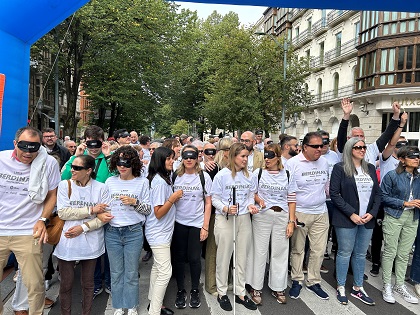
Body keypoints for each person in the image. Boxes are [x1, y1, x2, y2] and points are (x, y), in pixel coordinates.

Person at [0, 126, 60, 315]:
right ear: (15, 143)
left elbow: (52, 195)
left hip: (28, 231)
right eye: (24, 146)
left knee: (34, 284)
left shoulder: (48, 163)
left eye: (34, 147)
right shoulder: (1, 159)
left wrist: (43, 219)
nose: (28, 152)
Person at [54, 155, 112, 315]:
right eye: (72, 166)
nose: (72, 170)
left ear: (88, 170)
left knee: (88, 284)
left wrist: (83, 227)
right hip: (67, 240)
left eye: (77, 168)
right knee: (66, 284)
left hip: (91, 242)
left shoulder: (101, 188)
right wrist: (91, 211)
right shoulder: (65, 185)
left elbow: (106, 217)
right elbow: (63, 212)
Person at [61, 125, 113, 297]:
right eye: (90, 143)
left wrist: (107, 155)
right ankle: (96, 281)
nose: (93, 147)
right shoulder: (79, 160)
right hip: (83, 209)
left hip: (104, 207)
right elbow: (65, 177)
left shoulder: (106, 158)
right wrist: (75, 156)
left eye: (97, 143)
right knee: (93, 249)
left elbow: (116, 177)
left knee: (107, 249)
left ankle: (109, 281)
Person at [330, 137, 381, 305]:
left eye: (364, 147)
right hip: (346, 219)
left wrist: (372, 214)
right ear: (350, 149)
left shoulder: (371, 168)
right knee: (344, 253)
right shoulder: (340, 168)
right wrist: (351, 213)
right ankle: (341, 286)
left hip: (367, 219)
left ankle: (358, 288)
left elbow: (378, 195)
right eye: (358, 147)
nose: (362, 150)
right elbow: (334, 194)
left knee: (360, 254)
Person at [211, 142, 259, 311]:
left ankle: (240, 292)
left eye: (247, 156)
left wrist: (251, 206)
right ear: (233, 157)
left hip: (244, 218)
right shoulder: (221, 176)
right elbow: (214, 198)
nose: (246, 159)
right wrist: (225, 207)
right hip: (225, 218)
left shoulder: (250, 175)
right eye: (243, 156)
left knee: (242, 256)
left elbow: (251, 196)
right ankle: (222, 292)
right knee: (224, 256)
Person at [247, 143, 297, 305]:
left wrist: (291, 221)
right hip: (262, 215)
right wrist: (259, 199)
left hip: (282, 215)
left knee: (280, 252)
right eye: (265, 155)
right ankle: (256, 286)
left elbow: (291, 198)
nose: (267, 159)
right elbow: (251, 192)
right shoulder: (258, 173)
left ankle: (278, 287)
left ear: (278, 157)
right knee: (259, 251)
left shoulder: (287, 174)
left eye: (270, 156)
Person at [105, 146, 151, 315]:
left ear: (133, 163)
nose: (122, 166)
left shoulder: (142, 182)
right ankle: (118, 305)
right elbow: (104, 205)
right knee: (116, 272)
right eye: (118, 162)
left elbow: (148, 209)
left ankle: (131, 305)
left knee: (131, 272)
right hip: (112, 231)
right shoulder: (110, 182)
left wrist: (135, 202)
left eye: (126, 162)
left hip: (133, 231)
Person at [286, 132, 330, 300]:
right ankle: (296, 280)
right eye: (315, 146)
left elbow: (326, 185)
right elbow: (287, 191)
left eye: (322, 145)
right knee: (298, 249)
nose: (320, 149)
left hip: (321, 212)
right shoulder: (293, 164)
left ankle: (313, 281)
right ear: (305, 147)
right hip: (300, 212)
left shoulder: (324, 162)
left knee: (318, 250)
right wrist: (291, 216)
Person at [172, 145, 212, 309]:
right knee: (179, 258)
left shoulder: (204, 176)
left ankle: (195, 289)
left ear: (197, 158)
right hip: (179, 222)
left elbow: (208, 203)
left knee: (195, 258)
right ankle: (181, 289)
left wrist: (205, 226)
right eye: (186, 156)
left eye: (192, 156)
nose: (189, 159)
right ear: (182, 158)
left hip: (197, 223)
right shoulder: (176, 176)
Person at [381, 146, 420, 304]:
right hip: (394, 215)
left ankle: (399, 285)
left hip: (413, 217)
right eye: (412, 156)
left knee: (404, 254)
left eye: (418, 156)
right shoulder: (392, 175)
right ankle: (387, 285)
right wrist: (404, 203)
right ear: (402, 160)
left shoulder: (418, 178)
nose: (417, 159)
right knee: (390, 251)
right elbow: (383, 196)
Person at [146, 147, 182, 315]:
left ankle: (153, 302)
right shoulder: (159, 182)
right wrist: (172, 198)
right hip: (158, 233)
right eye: (169, 158)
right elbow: (158, 212)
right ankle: (154, 311)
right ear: (160, 160)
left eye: (172, 158)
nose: (172, 161)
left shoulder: (163, 178)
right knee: (166, 272)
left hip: (162, 232)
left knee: (157, 268)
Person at [337, 99, 401, 164]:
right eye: (356, 136)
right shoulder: (345, 150)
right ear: (348, 138)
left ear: (364, 138)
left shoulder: (370, 149)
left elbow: (386, 135)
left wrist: (396, 115)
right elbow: (341, 136)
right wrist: (346, 115)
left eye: (361, 136)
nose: (359, 138)